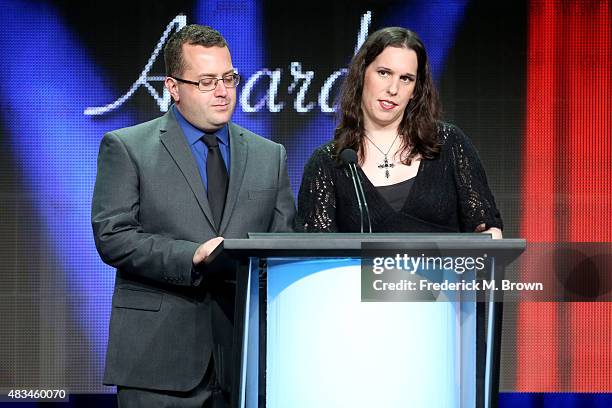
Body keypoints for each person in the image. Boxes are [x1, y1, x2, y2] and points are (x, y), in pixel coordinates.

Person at [92, 24, 295, 407]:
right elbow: (113, 236)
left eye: (228, 78)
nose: (222, 91)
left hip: (246, 363)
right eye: (206, 82)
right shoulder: (127, 148)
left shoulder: (270, 155)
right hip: (157, 363)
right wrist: (192, 255)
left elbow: (283, 243)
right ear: (172, 86)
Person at [295, 27, 503, 237]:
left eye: (406, 79)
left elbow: (487, 229)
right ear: (362, 75)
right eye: (384, 73)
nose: (393, 89)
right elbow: (315, 253)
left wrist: (489, 238)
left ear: (416, 90)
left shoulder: (448, 144)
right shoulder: (328, 163)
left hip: (445, 270)